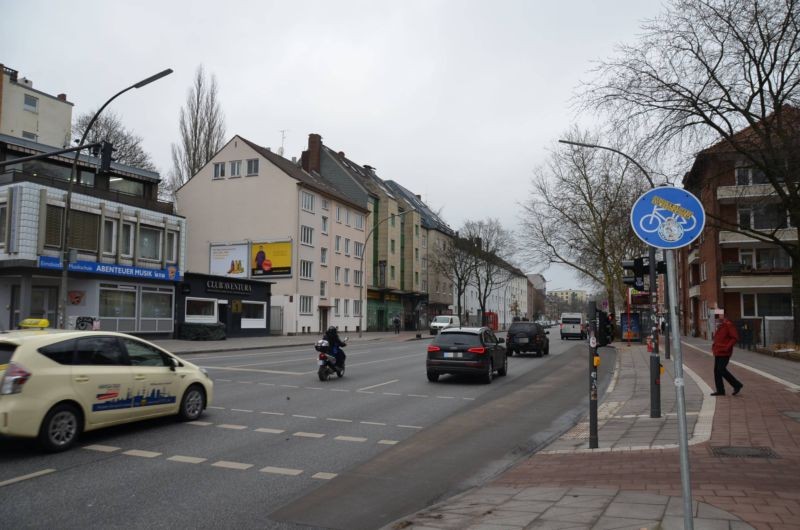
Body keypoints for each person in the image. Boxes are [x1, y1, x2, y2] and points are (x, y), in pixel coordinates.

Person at [711, 314, 743, 396]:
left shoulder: (728, 325)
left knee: (721, 369)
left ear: (724, 316)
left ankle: (737, 385)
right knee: (717, 371)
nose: (718, 319)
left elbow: (735, 337)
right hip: (718, 351)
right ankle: (720, 390)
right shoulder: (720, 326)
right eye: (717, 317)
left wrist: (727, 347)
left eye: (719, 317)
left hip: (724, 352)